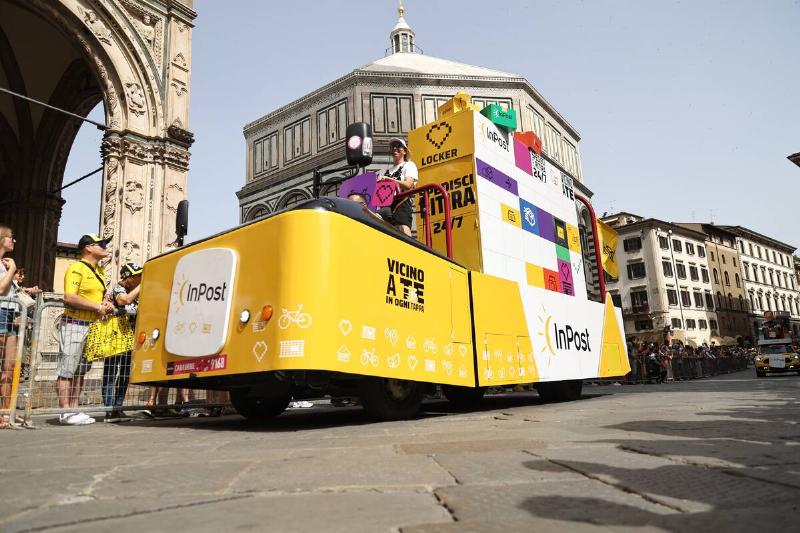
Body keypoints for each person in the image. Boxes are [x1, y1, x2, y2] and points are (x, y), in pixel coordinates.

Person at [57, 233, 114, 425]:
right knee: (67, 369)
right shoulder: (76, 268)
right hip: (74, 323)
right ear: (88, 247)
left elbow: (99, 298)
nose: (105, 246)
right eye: (101, 243)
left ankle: (75, 408)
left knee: (81, 370)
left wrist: (105, 304)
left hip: (90, 325)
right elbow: (69, 297)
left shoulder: (100, 272)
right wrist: (98, 307)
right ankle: (65, 411)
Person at [103, 262, 142, 423]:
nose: (141, 279)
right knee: (111, 372)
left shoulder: (139, 292)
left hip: (129, 336)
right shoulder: (119, 288)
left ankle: (119, 407)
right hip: (114, 334)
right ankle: (109, 409)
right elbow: (123, 301)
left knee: (125, 373)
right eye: (138, 276)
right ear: (128, 278)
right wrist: (141, 287)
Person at [377, 138, 418, 236]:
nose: (395, 149)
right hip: (386, 205)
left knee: (403, 230)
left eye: (398, 146)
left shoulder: (409, 165)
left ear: (404, 151)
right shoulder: (386, 171)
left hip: (402, 203)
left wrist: (390, 180)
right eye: (393, 147)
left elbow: (408, 184)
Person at [0, 226, 19, 427]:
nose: (14, 241)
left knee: (9, 366)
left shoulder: (5, 265)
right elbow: (0, 288)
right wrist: (12, 270)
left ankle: (6, 413)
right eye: (11, 238)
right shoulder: (7, 266)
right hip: (0, 313)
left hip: (10, 315)